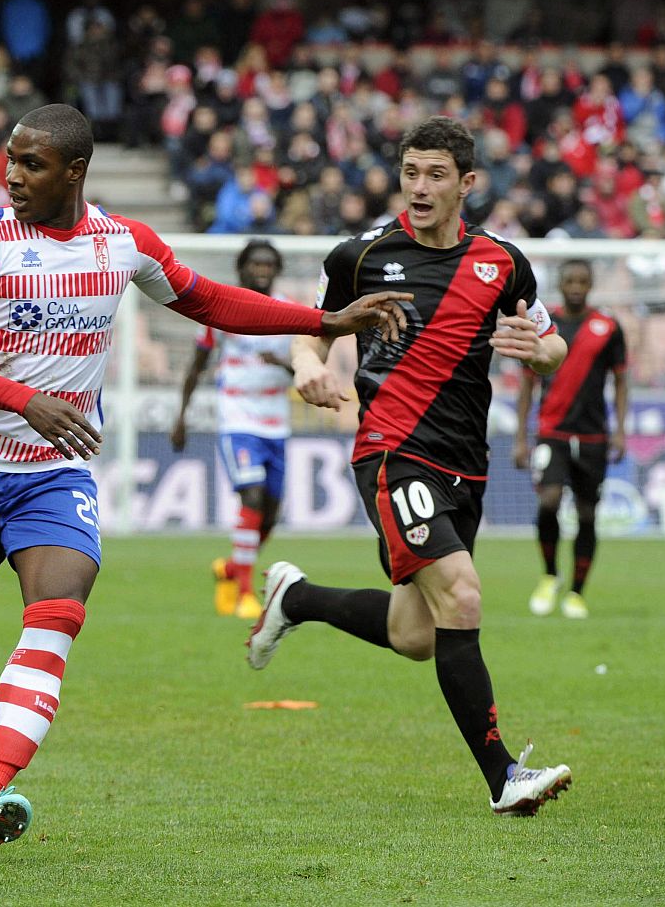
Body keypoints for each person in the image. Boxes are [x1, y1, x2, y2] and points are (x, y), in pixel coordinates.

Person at [0, 104, 410, 858]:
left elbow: (207, 298)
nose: (12, 175)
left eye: (31, 164)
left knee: (59, 610)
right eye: (10, 159)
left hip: (53, 472)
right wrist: (26, 400)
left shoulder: (120, 243)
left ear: (75, 171)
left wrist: (321, 322)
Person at [246, 115, 575, 817]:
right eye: (410, 172)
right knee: (462, 594)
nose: (419, 188)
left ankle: (295, 598)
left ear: (467, 184)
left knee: (417, 633)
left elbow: (553, 346)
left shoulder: (503, 263)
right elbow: (312, 329)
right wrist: (309, 369)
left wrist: (535, 348)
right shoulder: (361, 255)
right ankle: (504, 775)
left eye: (435, 175)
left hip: (467, 465)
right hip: (394, 450)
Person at [169, 239, 295, 618]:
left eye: (269, 264)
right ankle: (244, 593)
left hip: (277, 421)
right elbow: (197, 365)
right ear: (241, 268)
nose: (262, 269)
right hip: (237, 418)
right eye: (255, 263)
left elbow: (306, 366)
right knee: (252, 498)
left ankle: (229, 569)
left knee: (270, 515)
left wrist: (285, 366)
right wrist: (182, 415)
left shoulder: (290, 312)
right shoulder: (220, 310)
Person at [513, 260, 628, 619]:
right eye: (570, 281)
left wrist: (621, 429)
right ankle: (550, 575)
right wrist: (520, 436)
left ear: (591, 284)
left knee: (587, 513)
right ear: (560, 285)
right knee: (548, 501)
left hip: (594, 434)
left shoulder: (608, 327)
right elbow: (528, 384)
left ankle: (577, 592)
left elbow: (622, 380)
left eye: (582, 281)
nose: (576, 286)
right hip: (552, 431)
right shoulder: (545, 325)